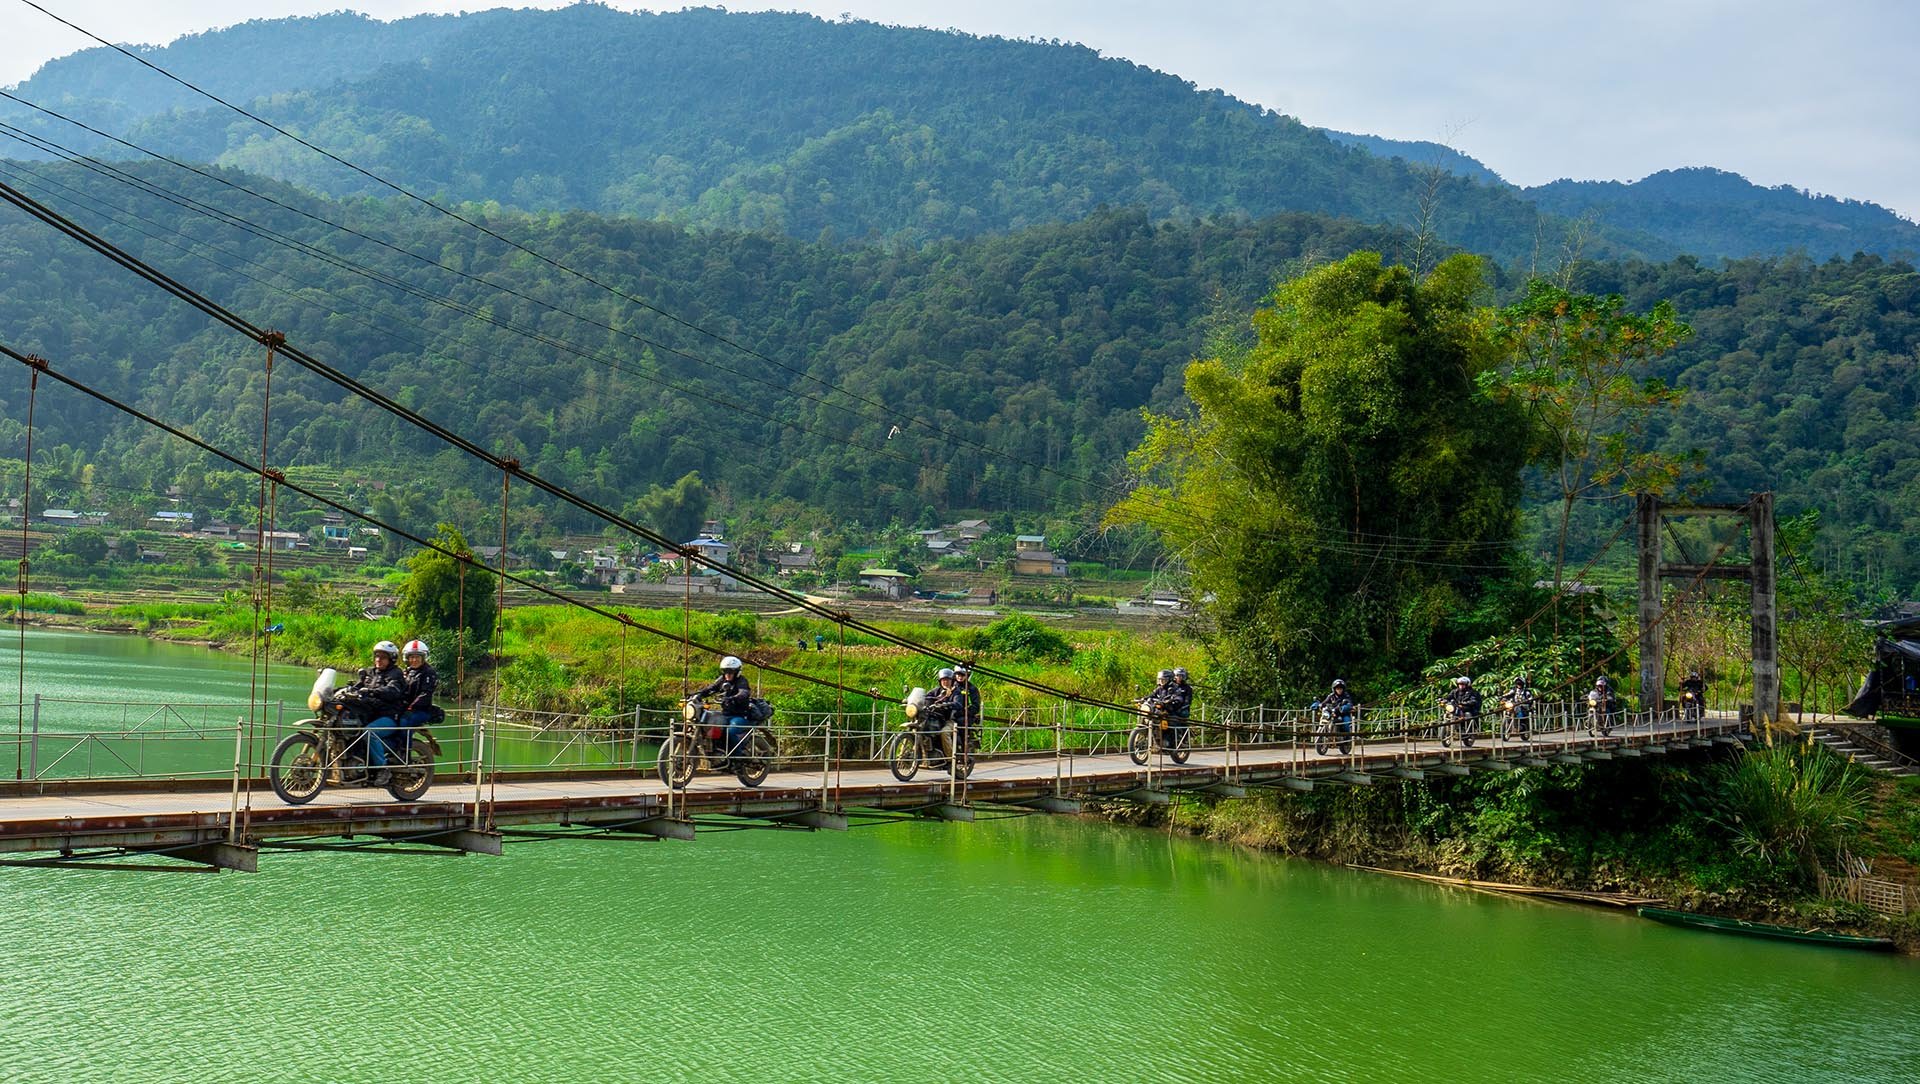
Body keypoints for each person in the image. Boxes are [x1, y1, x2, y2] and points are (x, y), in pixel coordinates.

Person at [368, 638, 438, 785]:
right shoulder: (407, 672)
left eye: (417, 657)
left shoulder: (428, 673)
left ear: (423, 658)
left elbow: (425, 694)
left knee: (405, 721)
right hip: (405, 707)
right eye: (411, 657)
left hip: (420, 709)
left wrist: (410, 707)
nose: (414, 660)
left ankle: (403, 752)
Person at [338, 641, 408, 785]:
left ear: (391, 659)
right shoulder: (370, 672)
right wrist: (339, 691)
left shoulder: (395, 674)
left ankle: (383, 769)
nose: (378, 660)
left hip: (388, 716)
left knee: (369, 732)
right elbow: (358, 686)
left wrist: (372, 691)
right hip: (371, 715)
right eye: (377, 656)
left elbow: (392, 690)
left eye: (383, 657)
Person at [691, 655, 753, 758]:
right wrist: (698, 695)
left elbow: (744, 692)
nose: (727, 674)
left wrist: (733, 698)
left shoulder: (742, 681)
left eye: (730, 672)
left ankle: (738, 757)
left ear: (737, 672)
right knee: (711, 726)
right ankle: (717, 751)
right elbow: (711, 688)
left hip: (740, 716)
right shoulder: (722, 680)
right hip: (725, 714)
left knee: (730, 731)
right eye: (725, 671)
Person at [952, 665, 983, 753]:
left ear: (967, 675)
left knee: (961, 723)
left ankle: (962, 750)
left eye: (962, 675)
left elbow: (976, 706)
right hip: (951, 713)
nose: (960, 677)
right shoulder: (951, 686)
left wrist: (964, 711)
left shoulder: (972, 689)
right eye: (958, 674)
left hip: (965, 716)